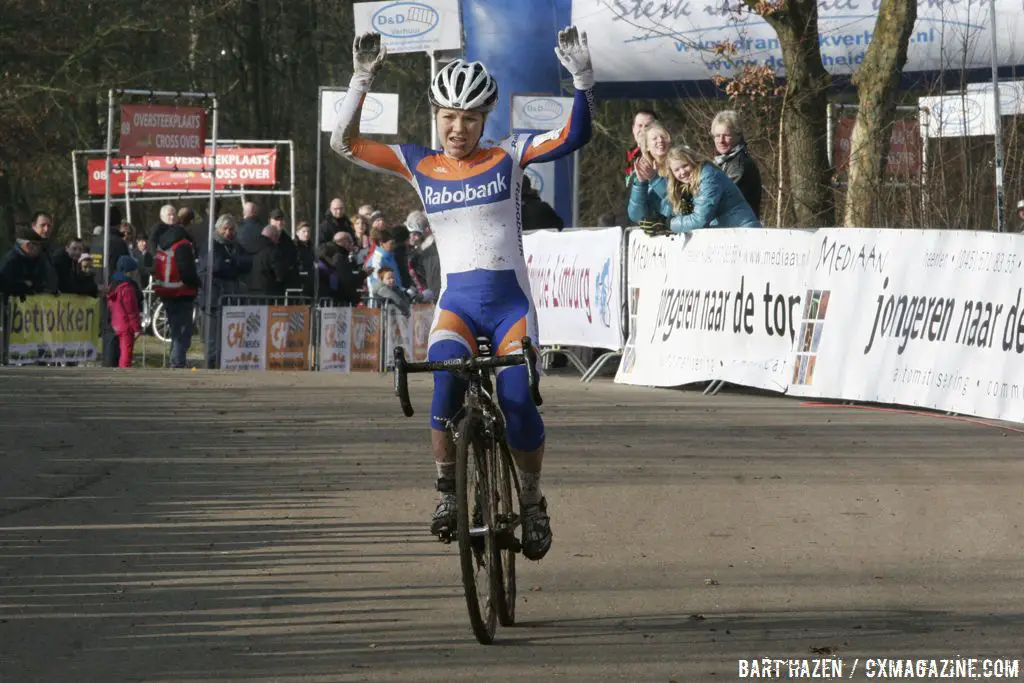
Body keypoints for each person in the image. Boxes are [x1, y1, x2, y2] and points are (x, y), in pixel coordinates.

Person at [330, 25, 595, 561]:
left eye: (470, 118)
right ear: (436, 116)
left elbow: (573, 137)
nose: (458, 128)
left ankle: (532, 501)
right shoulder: (418, 163)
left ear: (484, 118)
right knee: (445, 389)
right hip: (457, 307)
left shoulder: (511, 153)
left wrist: (582, 79)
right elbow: (344, 143)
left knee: (518, 401)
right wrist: (361, 79)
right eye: (449, 117)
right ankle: (448, 491)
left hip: (511, 309)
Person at [658, 144, 761, 232]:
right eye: (676, 170)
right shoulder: (685, 187)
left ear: (693, 161)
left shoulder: (708, 177)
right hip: (727, 234)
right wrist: (660, 221)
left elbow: (700, 220)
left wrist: (668, 224)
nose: (682, 172)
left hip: (743, 230)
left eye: (685, 165)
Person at [710, 109, 763, 219]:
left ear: (738, 135)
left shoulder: (739, 165)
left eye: (726, 135)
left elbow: (720, 201)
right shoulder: (722, 161)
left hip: (738, 230)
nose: (721, 140)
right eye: (717, 136)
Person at [626, 122, 674, 226]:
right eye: (655, 138)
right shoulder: (642, 170)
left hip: (676, 228)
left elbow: (677, 201)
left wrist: (655, 179)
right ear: (647, 146)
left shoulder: (681, 167)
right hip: (652, 233)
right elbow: (636, 216)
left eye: (663, 137)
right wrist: (640, 184)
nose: (660, 140)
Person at [107, 255, 143, 368]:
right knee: (126, 352)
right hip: (126, 325)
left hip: (115, 323)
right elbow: (132, 311)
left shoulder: (113, 285)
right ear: (128, 272)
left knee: (115, 349)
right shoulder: (127, 288)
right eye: (133, 272)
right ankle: (124, 372)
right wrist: (137, 328)